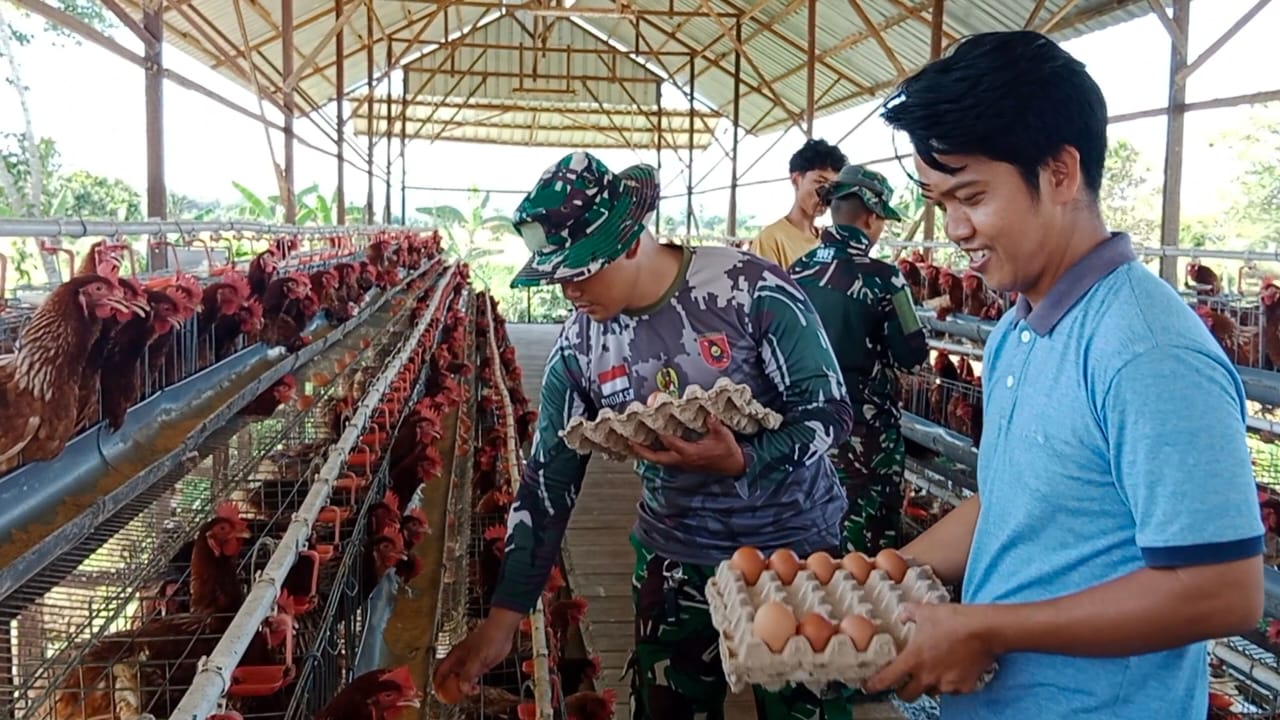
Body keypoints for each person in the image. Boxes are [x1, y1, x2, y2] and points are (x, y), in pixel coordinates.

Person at [859, 30, 1264, 719]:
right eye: (941, 202)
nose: (954, 228)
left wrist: (990, 629)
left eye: (971, 196)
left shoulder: (1146, 350)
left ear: (1059, 173)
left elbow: (1222, 590)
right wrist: (887, 574)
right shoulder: (1018, 328)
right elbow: (1013, 500)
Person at [433, 151, 857, 719]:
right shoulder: (580, 347)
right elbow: (548, 481)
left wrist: (746, 460)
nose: (569, 291)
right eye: (558, 276)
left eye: (581, 269)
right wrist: (504, 616)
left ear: (631, 240)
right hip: (675, 557)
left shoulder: (748, 290)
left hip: (791, 551)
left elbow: (829, 413)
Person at [790, 165, 928, 557]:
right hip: (865, 440)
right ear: (870, 217)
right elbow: (913, 355)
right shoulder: (884, 277)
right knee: (866, 554)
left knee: (808, 545)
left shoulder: (795, 272)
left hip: (804, 432)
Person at [748, 138, 847, 269]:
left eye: (832, 186)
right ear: (796, 180)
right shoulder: (771, 240)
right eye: (820, 182)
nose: (826, 193)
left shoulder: (827, 240)